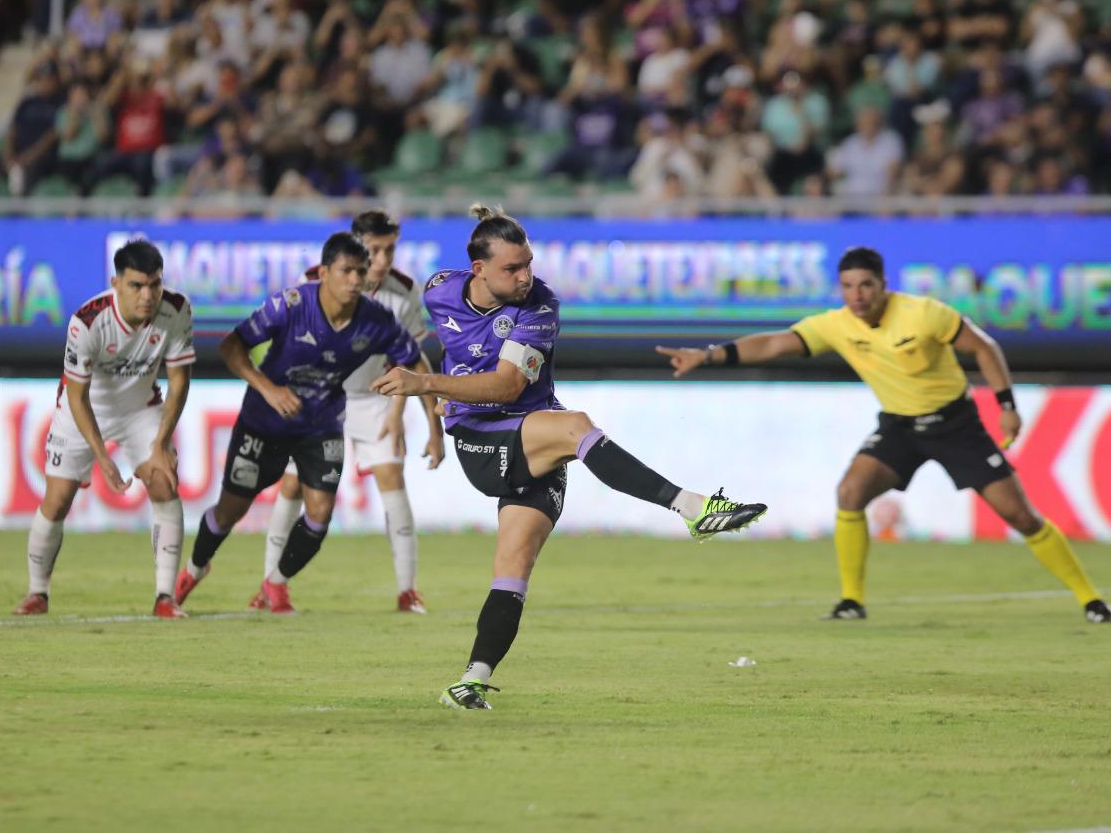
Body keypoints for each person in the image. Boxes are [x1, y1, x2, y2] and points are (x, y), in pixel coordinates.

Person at [371, 206, 768, 711]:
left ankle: (470, 680)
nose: (526, 276)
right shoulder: (437, 289)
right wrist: (436, 390)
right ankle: (692, 508)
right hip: (481, 439)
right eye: (513, 268)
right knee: (577, 425)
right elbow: (452, 344)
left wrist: (426, 384)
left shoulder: (539, 308)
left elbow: (508, 384)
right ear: (478, 271)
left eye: (529, 264)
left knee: (513, 571)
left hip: (536, 444)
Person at [658, 246, 1111, 625]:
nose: (856, 296)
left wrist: (1006, 405)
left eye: (865, 286)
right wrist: (710, 355)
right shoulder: (835, 324)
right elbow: (776, 343)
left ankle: (1091, 599)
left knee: (1019, 515)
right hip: (899, 426)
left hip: (955, 424)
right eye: (848, 287)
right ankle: (850, 602)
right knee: (851, 491)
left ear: (883, 285)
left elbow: (984, 346)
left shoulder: (923, 314)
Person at [176, 232, 430, 614]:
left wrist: (432, 410)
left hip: (321, 423)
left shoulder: (376, 320)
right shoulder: (292, 304)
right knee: (231, 510)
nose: (355, 280)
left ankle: (274, 584)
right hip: (265, 421)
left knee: (320, 511)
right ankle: (194, 569)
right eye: (346, 271)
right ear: (324, 272)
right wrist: (268, 388)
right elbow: (232, 345)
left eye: (361, 272)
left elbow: (413, 359)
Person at [260, 211, 445, 614]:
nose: (381, 260)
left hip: (374, 398)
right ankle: (271, 582)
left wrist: (414, 419)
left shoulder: (404, 291)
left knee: (392, 478)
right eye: (374, 250)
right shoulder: (315, 283)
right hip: (318, 399)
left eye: (389, 249)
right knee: (292, 485)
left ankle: (406, 590)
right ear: (355, 245)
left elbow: (411, 361)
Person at [14, 240, 195, 618]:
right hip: (85, 410)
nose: (148, 296)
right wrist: (102, 457)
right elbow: (77, 397)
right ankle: (37, 593)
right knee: (58, 498)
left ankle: (165, 598)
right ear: (116, 283)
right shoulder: (88, 321)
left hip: (139, 409)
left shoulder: (176, 310)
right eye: (136, 286)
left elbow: (179, 382)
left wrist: (161, 441)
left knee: (164, 480)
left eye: (155, 285)